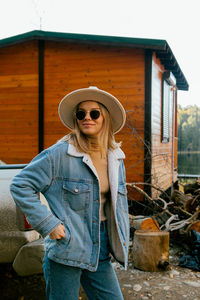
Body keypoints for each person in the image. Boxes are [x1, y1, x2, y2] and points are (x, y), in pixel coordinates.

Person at [10, 86, 129, 300]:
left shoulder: (116, 158)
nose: (87, 118)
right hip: (66, 250)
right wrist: (49, 224)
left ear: (106, 118)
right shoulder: (59, 154)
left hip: (100, 248)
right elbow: (20, 184)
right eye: (81, 113)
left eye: (94, 113)